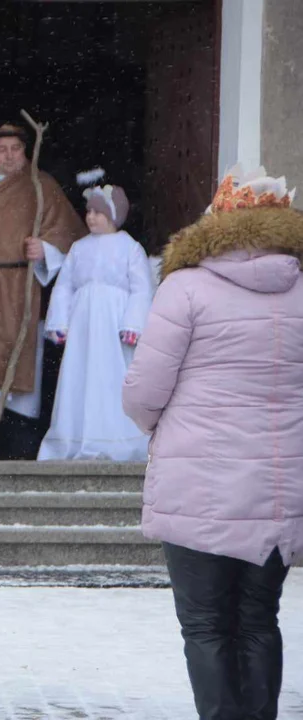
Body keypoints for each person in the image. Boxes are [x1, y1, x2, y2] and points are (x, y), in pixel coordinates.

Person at [122, 165, 303, 720]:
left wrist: (162, 424)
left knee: (204, 624)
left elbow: (144, 391)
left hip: (198, 483)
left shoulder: (186, 287)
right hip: (278, 486)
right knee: (258, 619)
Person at [0, 122, 87, 459]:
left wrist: (46, 250)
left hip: (21, 286)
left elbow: (71, 234)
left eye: (16, 149)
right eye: (1, 149)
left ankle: (20, 433)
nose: (10, 156)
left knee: (20, 358)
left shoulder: (41, 185)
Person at [37, 177, 153, 461]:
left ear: (114, 216)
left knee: (113, 378)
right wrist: (59, 322)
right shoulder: (79, 248)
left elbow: (141, 288)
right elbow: (65, 286)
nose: (90, 217)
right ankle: (73, 436)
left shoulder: (130, 248)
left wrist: (133, 324)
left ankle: (117, 438)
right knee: (81, 375)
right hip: (83, 326)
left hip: (114, 327)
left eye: (97, 212)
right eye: (88, 211)